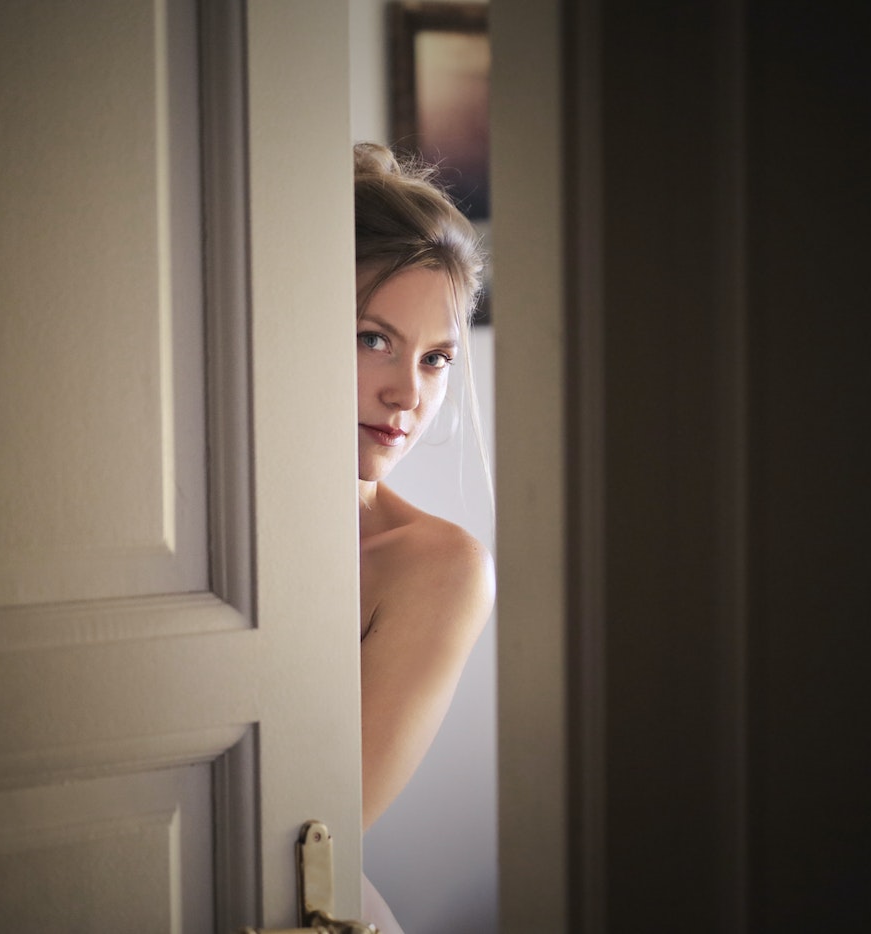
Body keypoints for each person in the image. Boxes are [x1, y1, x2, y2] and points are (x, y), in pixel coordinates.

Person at [353, 142, 494, 932]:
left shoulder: (437, 568)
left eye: (436, 358)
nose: (408, 392)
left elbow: (310, 836)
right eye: (373, 338)